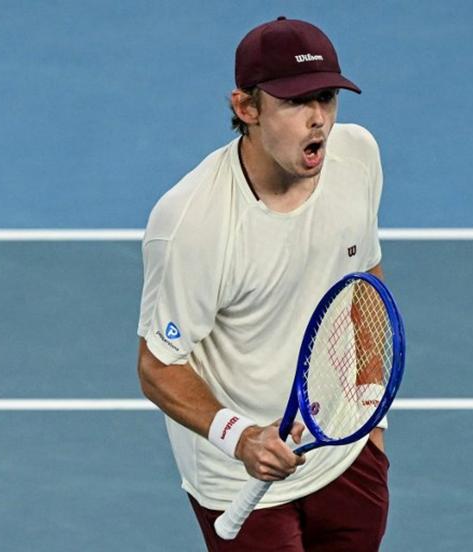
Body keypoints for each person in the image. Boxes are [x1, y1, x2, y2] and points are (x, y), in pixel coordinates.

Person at [136, 16, 389, 551]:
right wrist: (242, 438)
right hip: (240, 477)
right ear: (246, 109)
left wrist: (371, 413)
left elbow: (364, 280)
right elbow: (158, 366)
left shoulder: (358, 156)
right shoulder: (193, 224)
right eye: (296, 103)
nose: (318, 119)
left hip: (344, 449)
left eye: (327, 97)